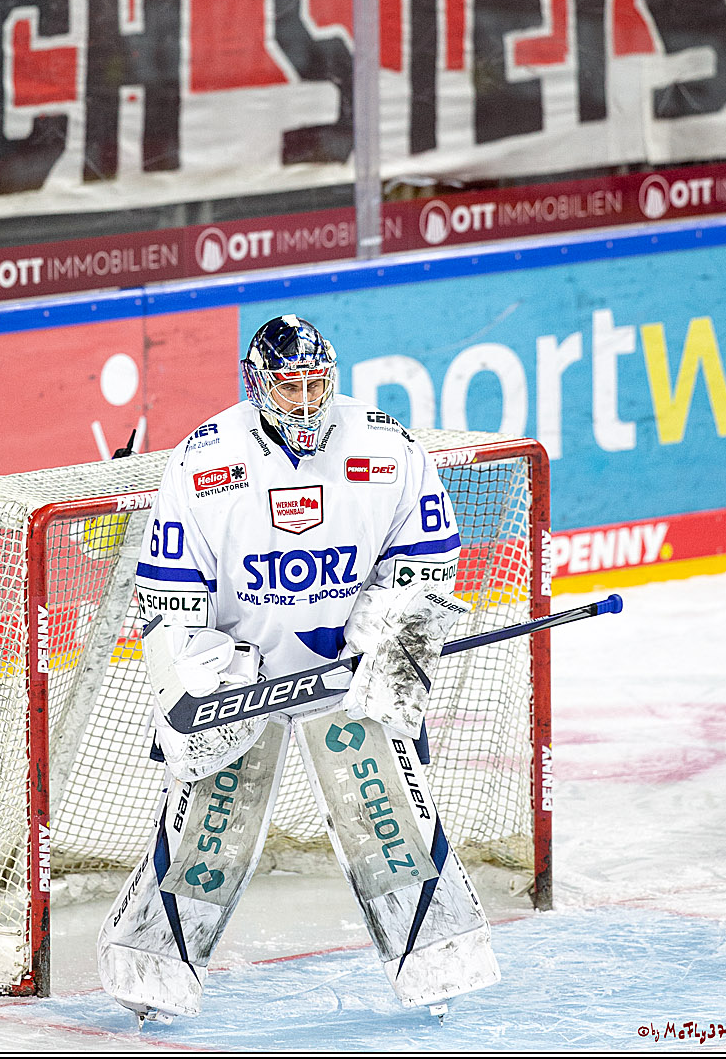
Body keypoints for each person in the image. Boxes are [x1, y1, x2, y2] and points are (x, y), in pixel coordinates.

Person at [98, 314, 500, 1023]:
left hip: (345, 673)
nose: (308, 402)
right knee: (208, 831)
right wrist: (197, 681)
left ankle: (440, 968)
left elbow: (428, 559)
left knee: (389, 818)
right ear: (259, 388)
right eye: (292, 388)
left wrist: (386, 637)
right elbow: (169, 592)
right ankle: (150, 979)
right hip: (240, 680)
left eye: (319, 385)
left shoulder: (387, 446)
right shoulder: (204, 462)